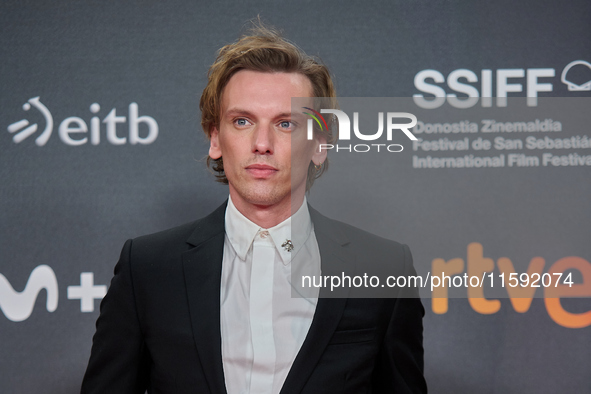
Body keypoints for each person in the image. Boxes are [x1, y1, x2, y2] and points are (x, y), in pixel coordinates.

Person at [81, 23, 427, 394]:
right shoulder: (147, 268)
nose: (262, 143)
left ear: (320, 145)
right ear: (215, 138)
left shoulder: (384, 269)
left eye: (286, 123)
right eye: (242, 121)